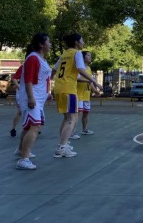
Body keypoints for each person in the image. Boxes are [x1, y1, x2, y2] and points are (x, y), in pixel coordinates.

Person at [51, 34, 102, 158]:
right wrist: (94, 81)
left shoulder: (63, 54)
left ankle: (62, 144)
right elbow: (80, 69)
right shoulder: (77, 53)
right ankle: (62, 147)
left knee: (66, 118)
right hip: (68, 88)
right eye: (82, 40)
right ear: (76, 42)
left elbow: (54, 70)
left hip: (59, 88)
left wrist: (49, 81)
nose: (83, 42)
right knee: (72, 119)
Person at [14, 34, 52, 170]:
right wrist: (31, 97)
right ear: (41, 44)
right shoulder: (33, 58)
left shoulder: (42, 60)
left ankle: (21, 150)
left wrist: (47, 93)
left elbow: (43, 79)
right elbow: (28, 80)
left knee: (28, 127)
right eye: (48, 41)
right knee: (35, 127)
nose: (50, 44)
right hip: (33, 98)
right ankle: (24, 159)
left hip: (39, 98)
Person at [70, 51, 99, 139]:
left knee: (86, 113)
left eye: (90, 55)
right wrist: (90, 80)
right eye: (88, 55)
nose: (90, 57)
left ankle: (85, 129)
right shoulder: (79, 68)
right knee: (77, 114)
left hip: (86, 95)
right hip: (78, 94)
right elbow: (77, 79)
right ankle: (72, 132)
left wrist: (95, 90)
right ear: (83, 57)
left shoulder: (89, 68)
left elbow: (90, 82)